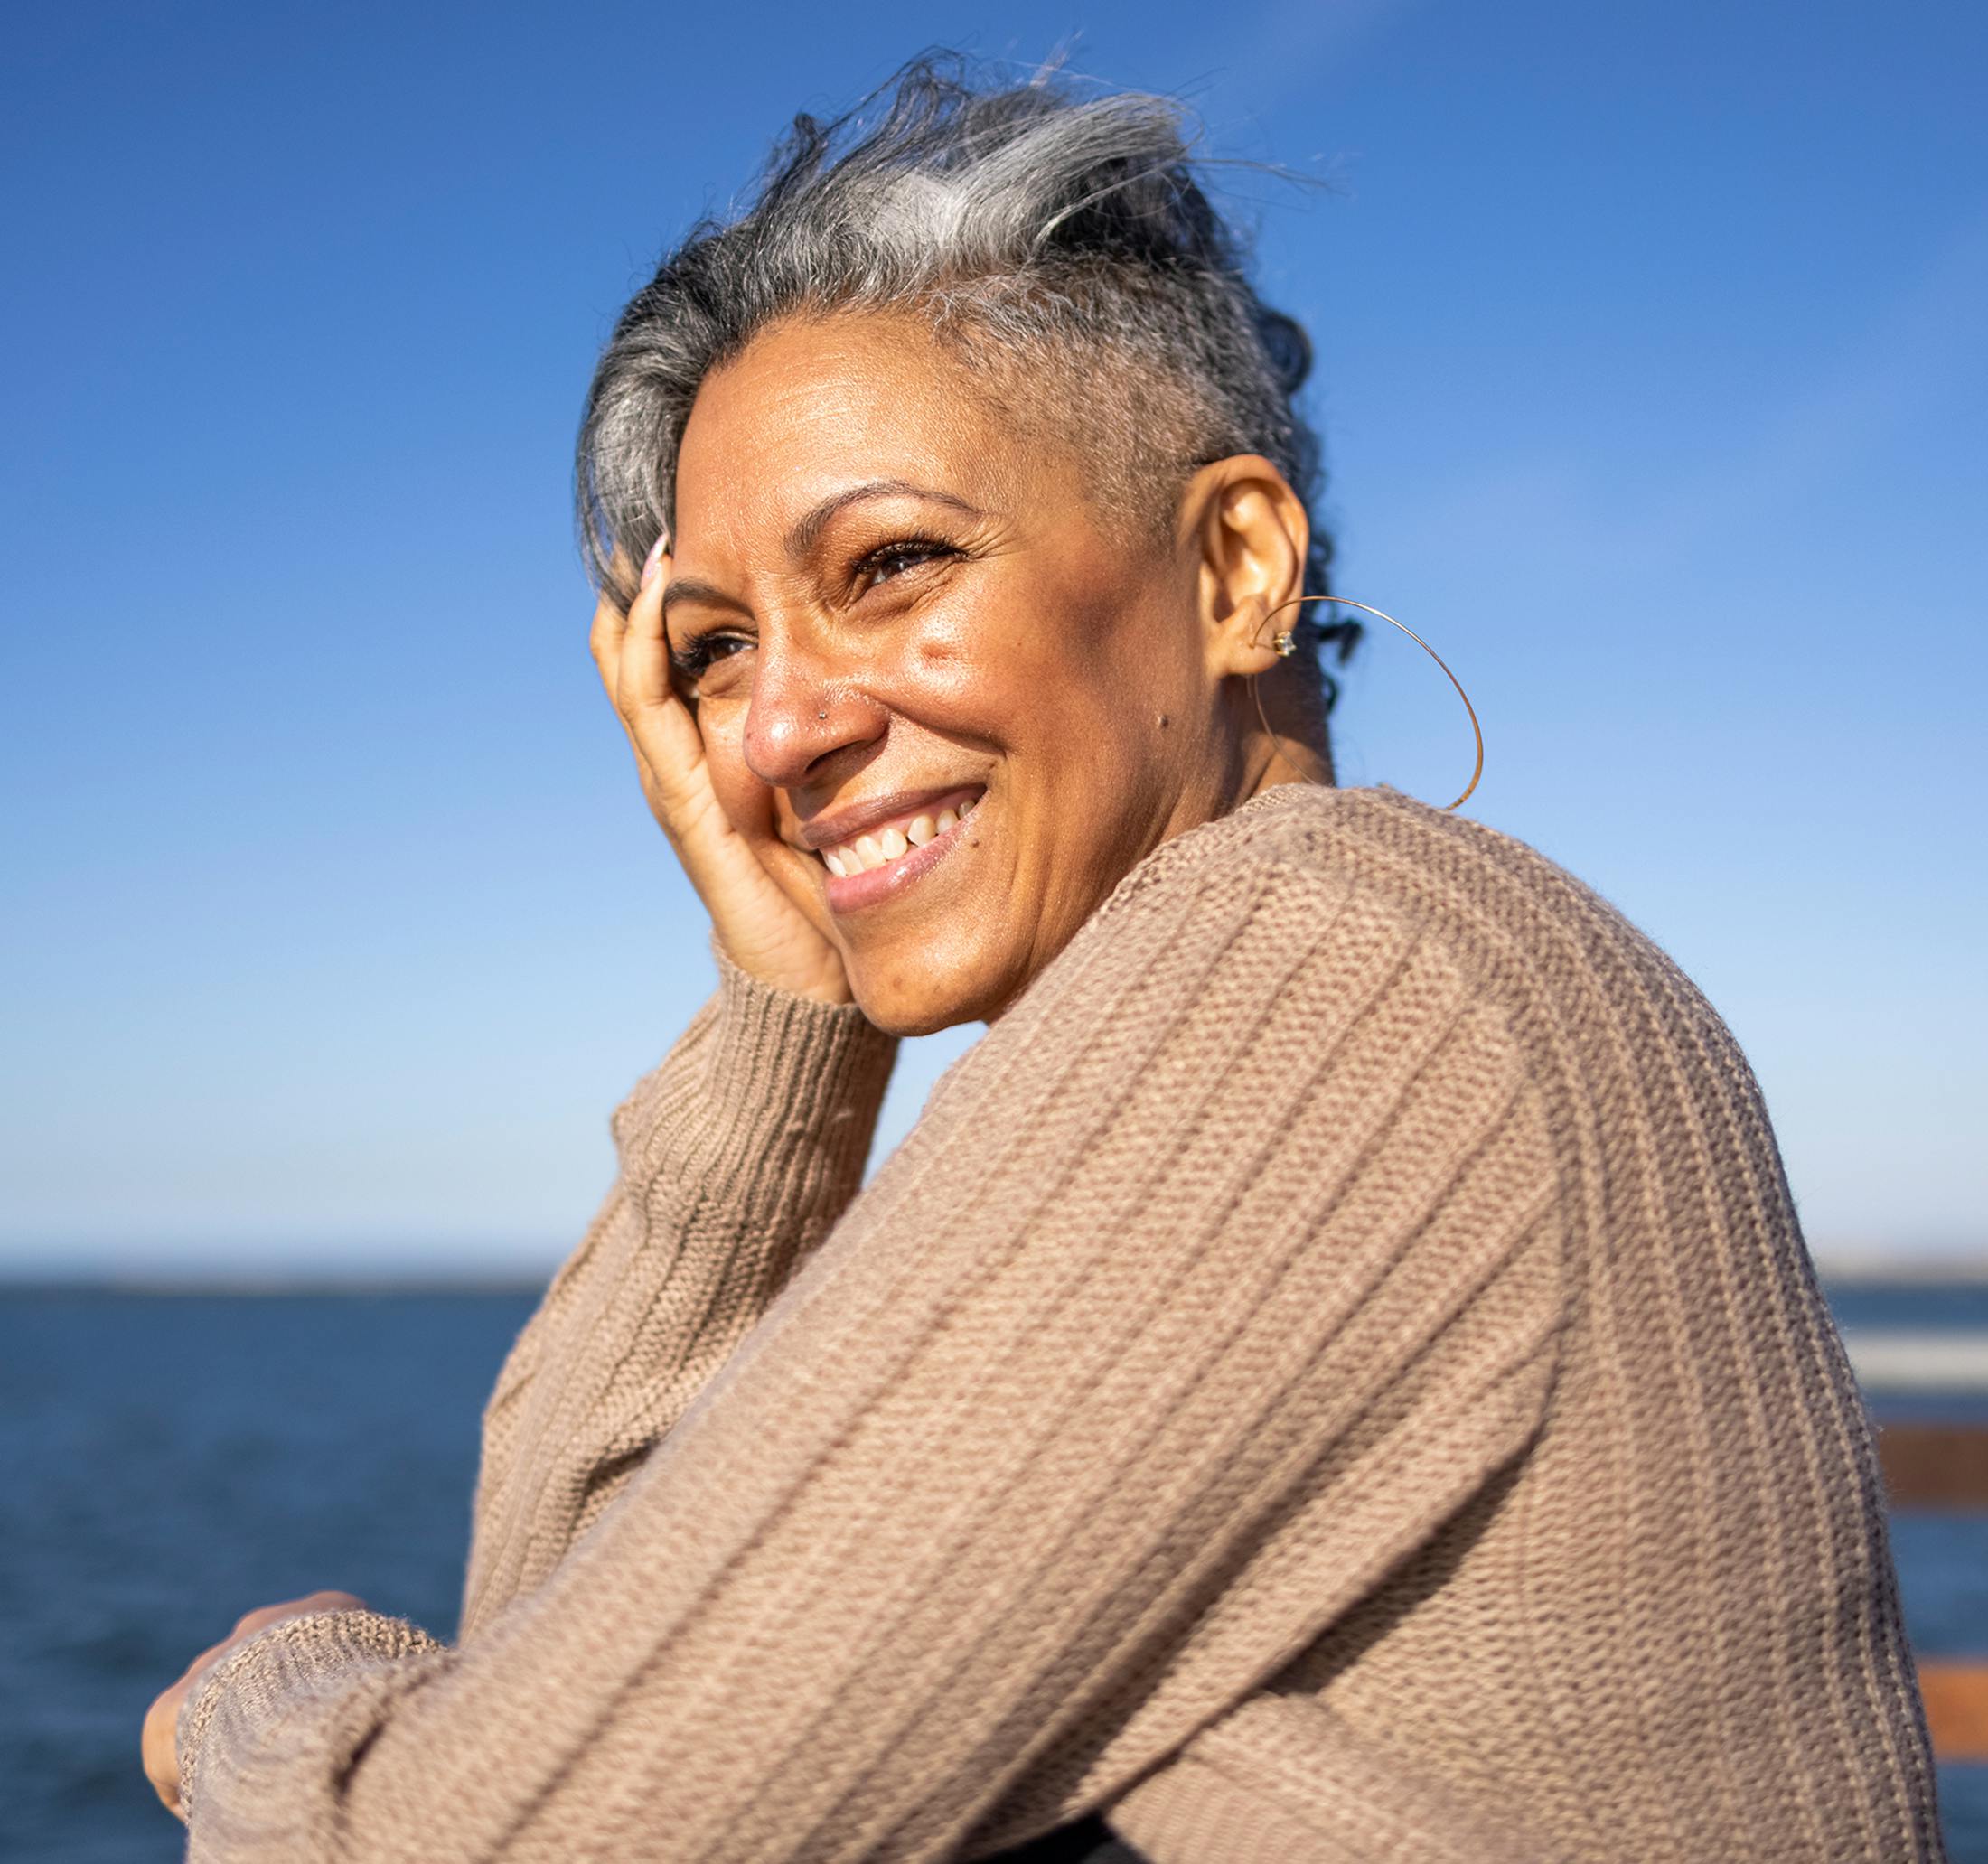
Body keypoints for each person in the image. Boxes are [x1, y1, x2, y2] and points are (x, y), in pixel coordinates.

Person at [143, 55, 1946, 1862]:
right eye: (708, 652)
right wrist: (781, 1010)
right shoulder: (1409, 958)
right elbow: (578, 1677)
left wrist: (273, 1685)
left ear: (1237, 565)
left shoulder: (1322, 974)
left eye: (890, 564)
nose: (769, 730)